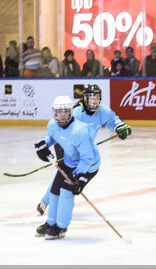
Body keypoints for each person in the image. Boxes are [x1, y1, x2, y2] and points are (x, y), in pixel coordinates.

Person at [36, 85, 132, 216]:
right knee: (64, 173)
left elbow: (112, 120)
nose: (93, 101)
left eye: (96, 98)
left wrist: (120, 126)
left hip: (84, 151)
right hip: (65, 145)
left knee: (74, 181)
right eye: (90, 98)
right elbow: (58, 129)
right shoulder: (75, 112)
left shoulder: (103, 111)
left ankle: (57, 203)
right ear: (85, 99)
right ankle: (46, 202)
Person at [33, 96, 99, 239]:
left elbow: (88, 158)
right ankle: (51, 223)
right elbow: (51, 137)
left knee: (67, 191)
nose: (62, 114)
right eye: (59, 111)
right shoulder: (52, 125)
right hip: (69, 161)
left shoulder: (81, 130)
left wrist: (80, 177)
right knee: (55, 189)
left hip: (89, 165)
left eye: (65, 111)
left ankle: (61, 226)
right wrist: (44, 145)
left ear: (70, 112)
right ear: (55, 112)